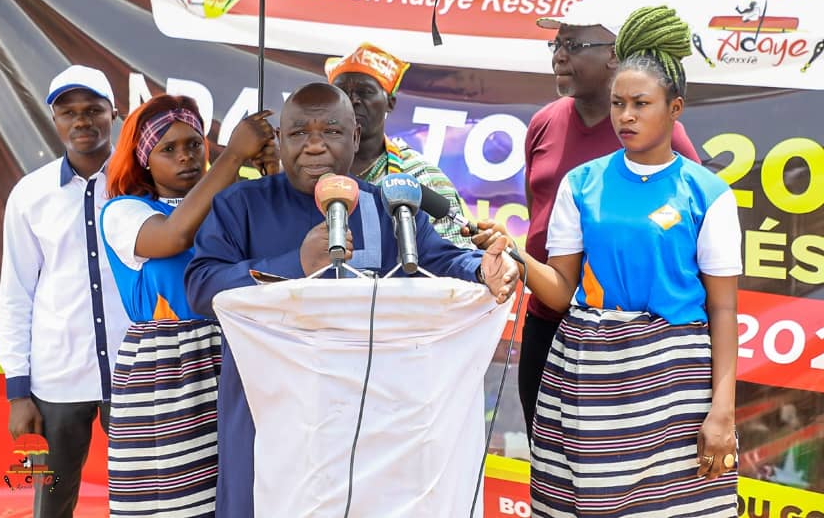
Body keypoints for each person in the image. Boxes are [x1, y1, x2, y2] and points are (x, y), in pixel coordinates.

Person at [183, 83, 520, 518]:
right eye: (299, 133)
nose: (315, 145)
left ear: (356, 138)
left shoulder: (389, 206)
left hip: (370, 420)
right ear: (280, 140)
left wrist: (482, 270)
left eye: (332, 131)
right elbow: (202, 286)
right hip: (268, 414)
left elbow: (444, 260)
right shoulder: (240, 205)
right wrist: (294, 263)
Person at [520, 5, 741, 517]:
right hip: (586, 373)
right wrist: (512, 255)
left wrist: (723, 410)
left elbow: (724, 309)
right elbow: (560, 291)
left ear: (675, 108)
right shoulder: (582, 184)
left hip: (676, 380)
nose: (626, 116)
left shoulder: (708, 194)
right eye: (619, 103)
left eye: (641, 104)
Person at [517, 0, 703, 437]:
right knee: (548, 456)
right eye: (556, 44)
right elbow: (538, 216)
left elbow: (690, 234)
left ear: (615, 55)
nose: (559, 55)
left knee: (615, 462)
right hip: (546, 322)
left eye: (574, 45)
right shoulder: (543, 122)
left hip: (624, 335)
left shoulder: (664, 137)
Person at [99, 95, 276, 517]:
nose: (186, 157)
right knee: (175, 498)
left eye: (194, 144)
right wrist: (234, 156)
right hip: (167, 371)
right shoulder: (123, 211)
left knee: (241, 488)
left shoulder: (230, 201)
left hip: (235, 353)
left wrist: (274, 173)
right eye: (169, 149)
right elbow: (173, 236)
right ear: (144, 160)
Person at [0, 65, 131, 518]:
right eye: (68, 112)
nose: (81, 121)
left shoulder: (139, 183)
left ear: (114, 113)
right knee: (51, 501)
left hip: (133, 369)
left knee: (143, 494)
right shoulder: (29, 195)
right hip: (57, 377)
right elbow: (17, 292)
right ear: (54, 119)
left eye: (93, 109)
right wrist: (18, 391)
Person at [325, 41, 473, 247]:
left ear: (390, 102)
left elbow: (455, 254)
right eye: (341, 92)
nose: (353, 100)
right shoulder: (312, 168)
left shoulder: (421, 176)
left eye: (365, 91)